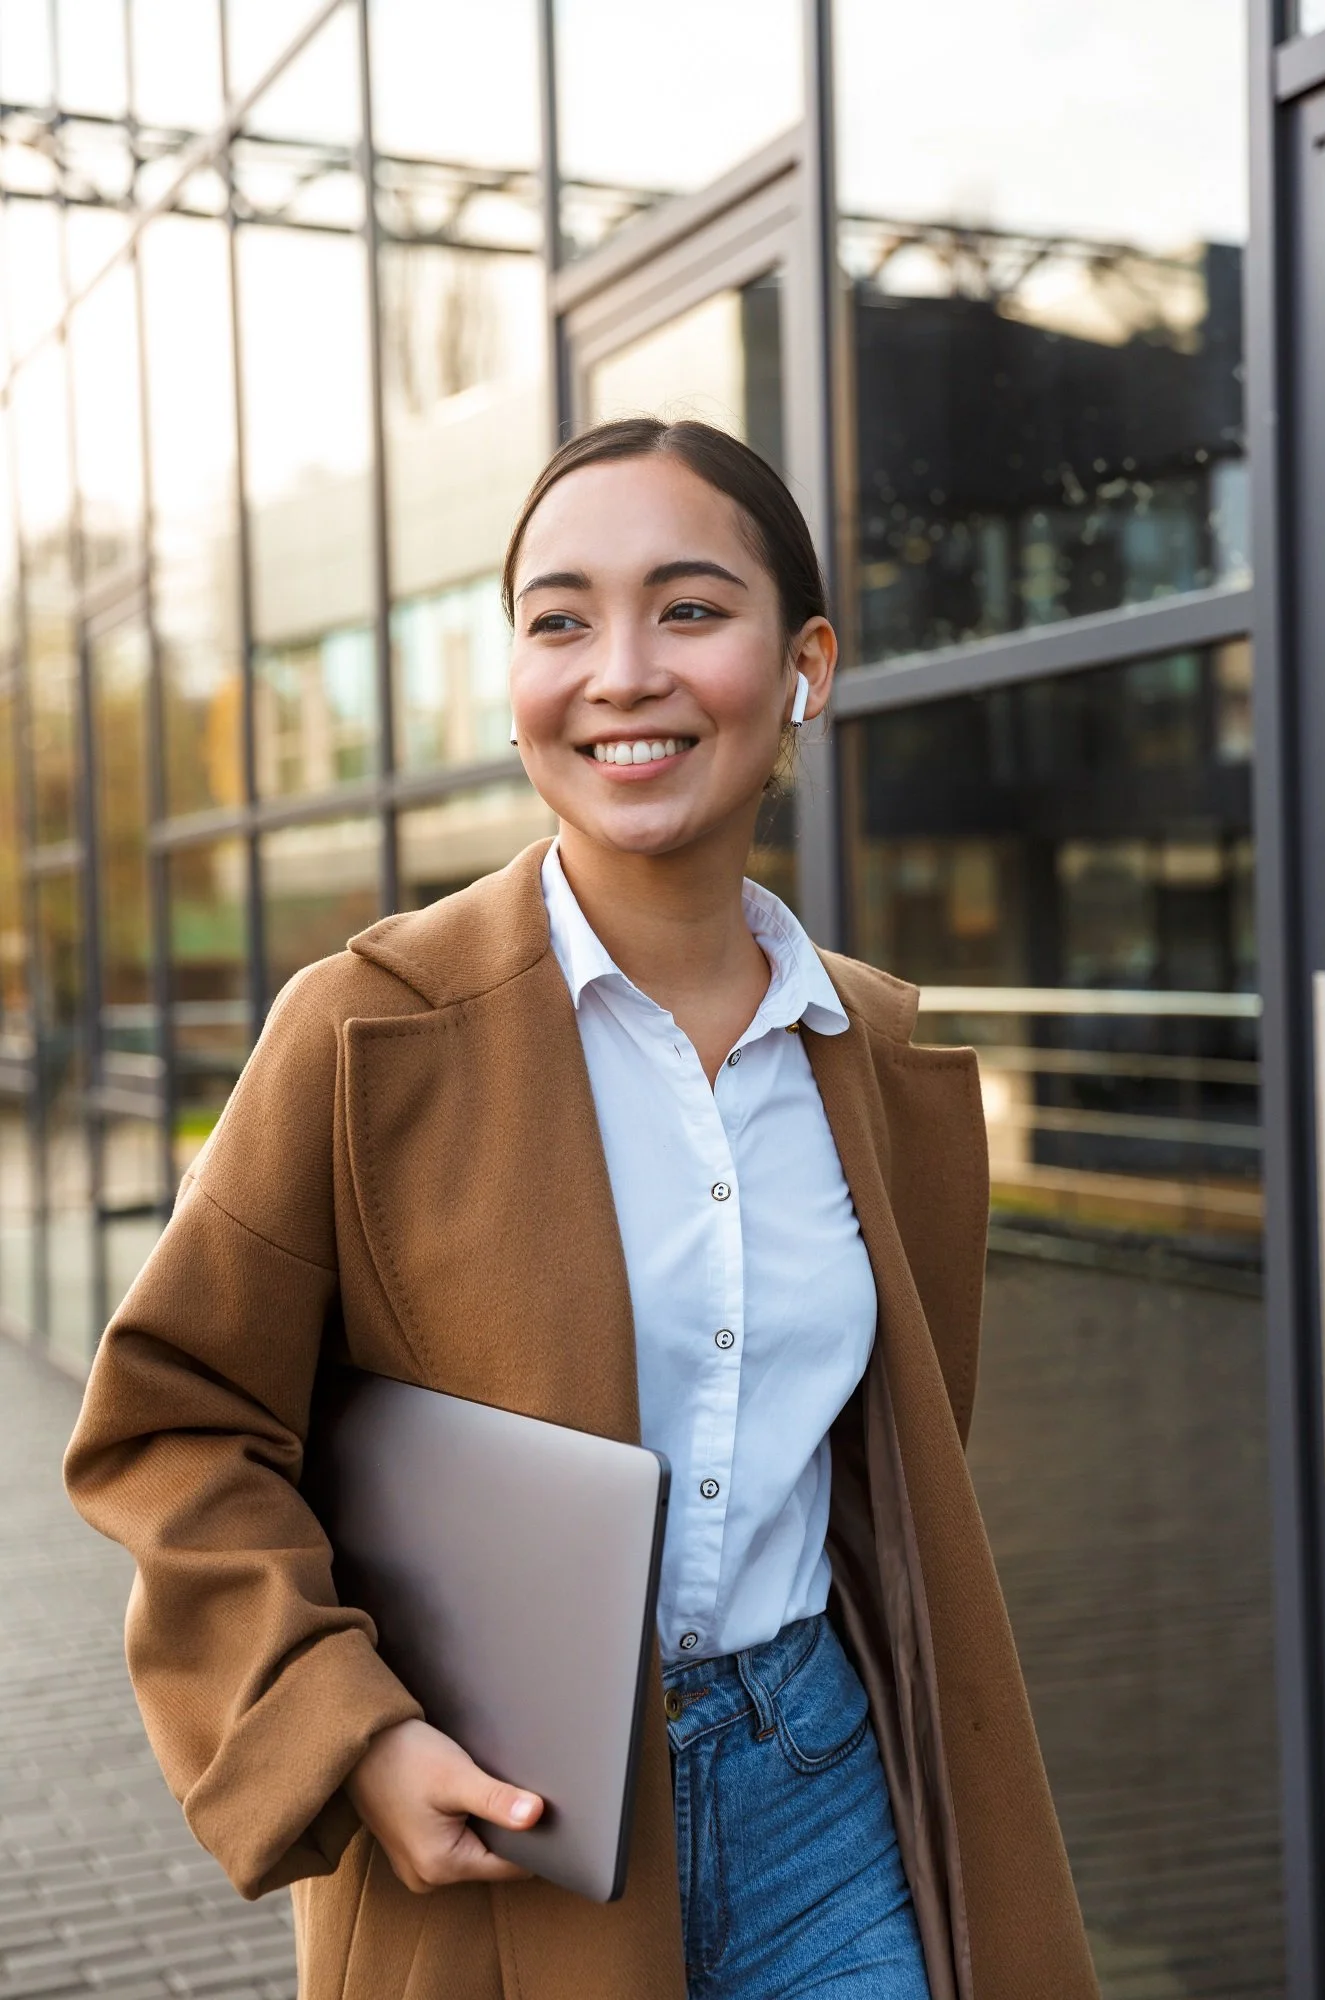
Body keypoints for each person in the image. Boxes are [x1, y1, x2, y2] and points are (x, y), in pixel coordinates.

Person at [65, 418, 1098, 2000]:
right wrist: (348, 1730)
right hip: (506, 1830)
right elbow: (174, 1427)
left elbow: (884, 1471)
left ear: (804, 663)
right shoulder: (363, 1033)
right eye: (560, 620)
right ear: (516, 682)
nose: (621, 671)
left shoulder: (875, 1061)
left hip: (827, 1794)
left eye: (690, 609)